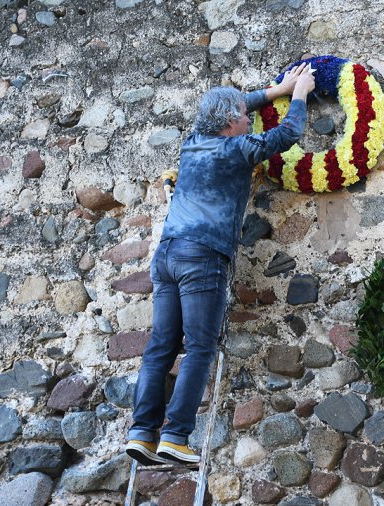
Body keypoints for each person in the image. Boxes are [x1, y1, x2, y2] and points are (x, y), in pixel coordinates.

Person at [125, 63, 316, 466]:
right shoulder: (237, 149)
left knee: (160, 346)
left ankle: (142, 433)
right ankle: (175, 436)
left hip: (167, 255)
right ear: (231, 121)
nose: (249, 119)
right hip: (202, 256)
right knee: (199, 347)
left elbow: (237, 105)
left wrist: (274, 91)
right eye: (245, 117)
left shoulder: (193, 142)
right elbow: (288, 135)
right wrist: (298, 94)